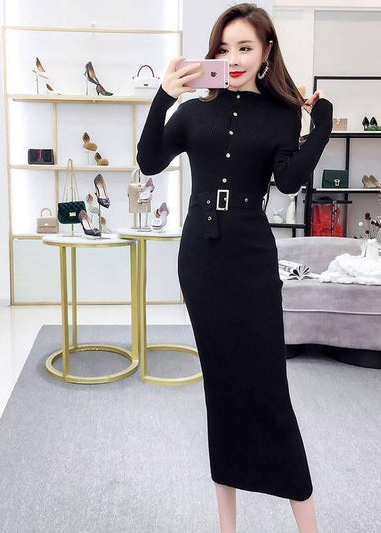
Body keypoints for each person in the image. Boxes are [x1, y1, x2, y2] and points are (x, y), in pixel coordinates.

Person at [136, 3, 333, 532]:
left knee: (269, 390)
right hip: (201, 257)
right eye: (224, 49)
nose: (234, 58)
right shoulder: (193, 111)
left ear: (267, 52)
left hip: (251, 256)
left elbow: (288, 181)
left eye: (245, 47)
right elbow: (149, 160)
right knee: (220, 390)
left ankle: (308, 524)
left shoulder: (281, 114)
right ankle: (228, 527)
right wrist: (164, 96)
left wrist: (321, 126)